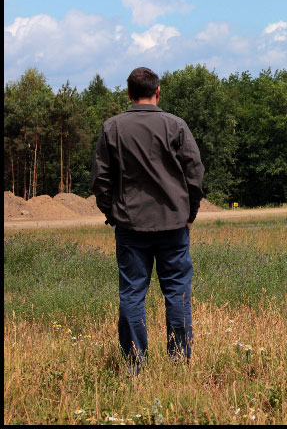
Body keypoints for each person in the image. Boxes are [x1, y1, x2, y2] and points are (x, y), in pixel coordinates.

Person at [90, 67, 204, 372]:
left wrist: (112, 214)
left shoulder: (112, 127)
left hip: (130, 225)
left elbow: (100, 180)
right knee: (177, 294)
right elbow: (195, 175)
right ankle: (180, 363)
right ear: (158, 91)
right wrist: (189, 213)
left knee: (131, 295)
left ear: (128, 93)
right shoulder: (176, 125)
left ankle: (135, 365)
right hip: (173, 225)